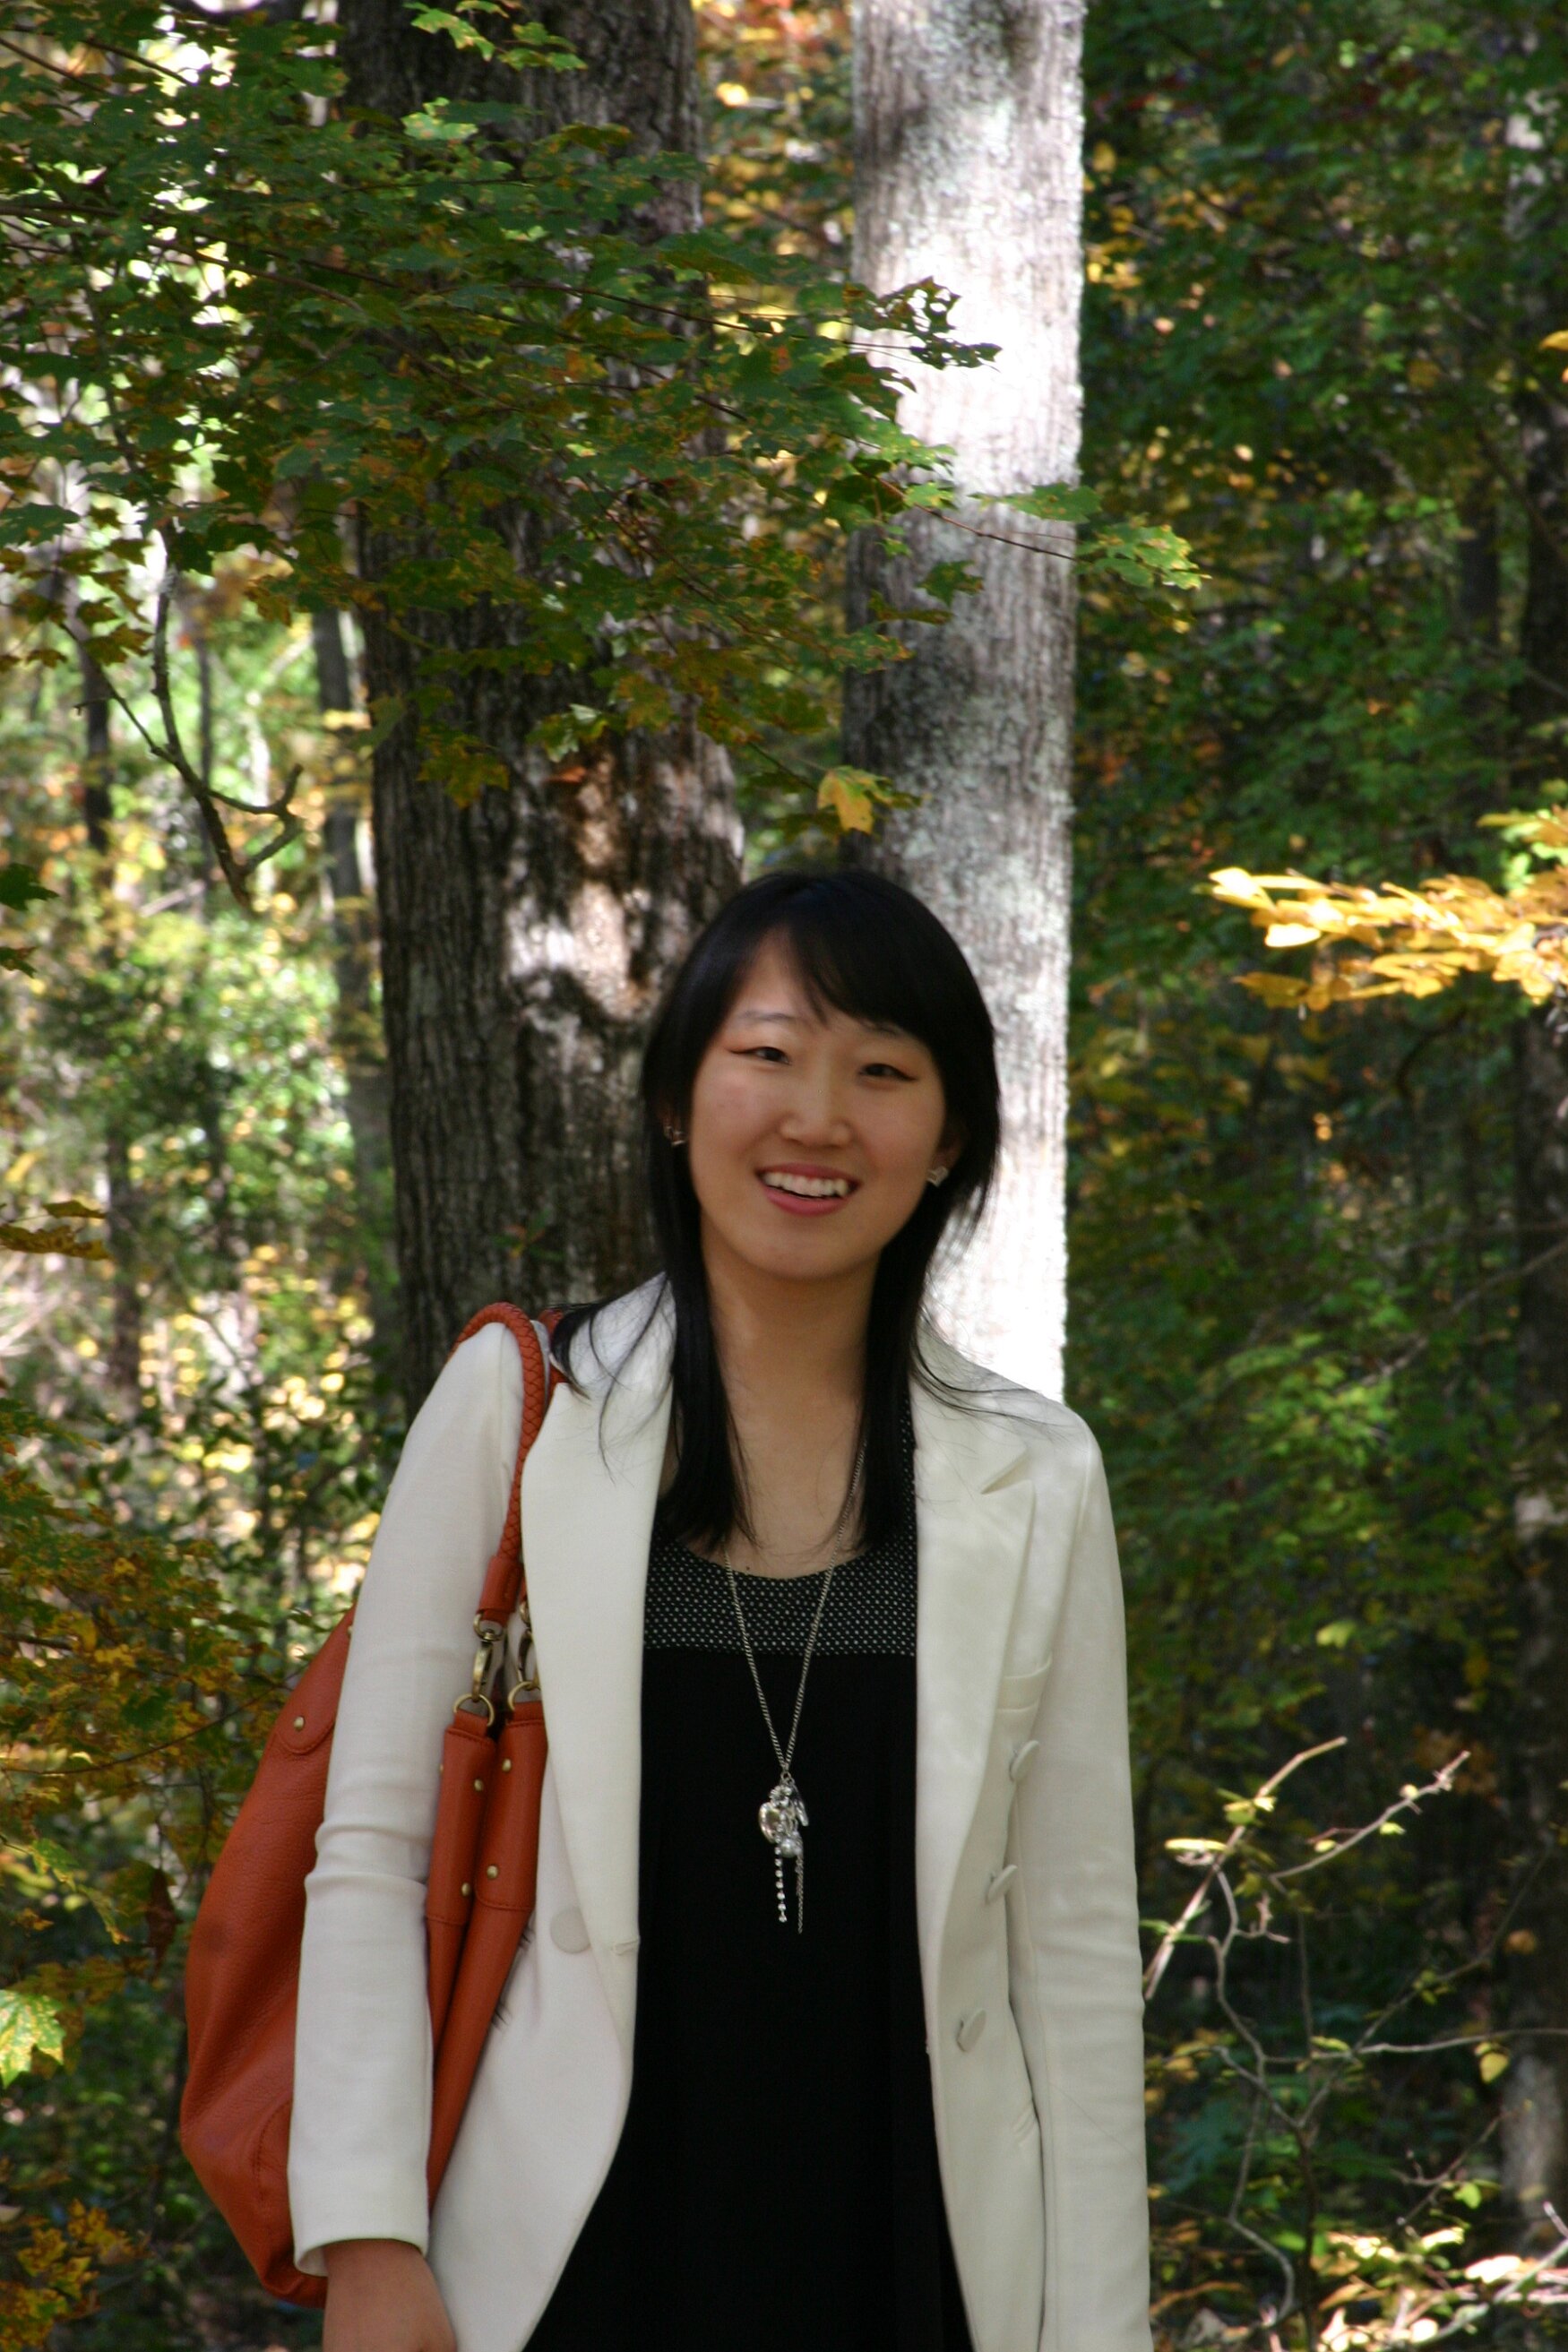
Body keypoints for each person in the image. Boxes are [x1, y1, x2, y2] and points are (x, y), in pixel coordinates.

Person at [288, 868, 1150, 2352]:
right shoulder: (520, 1409)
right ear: (676, 1099)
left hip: (922, 2254)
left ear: (948, 1138)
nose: (818, 1117)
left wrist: (1098, 2331)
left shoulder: (1033, 1470)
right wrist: (369, 2235)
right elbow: (373, 1847)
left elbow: (1068, 1942)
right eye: (767, 1053)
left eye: (881, 1071)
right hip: (566, 2256)